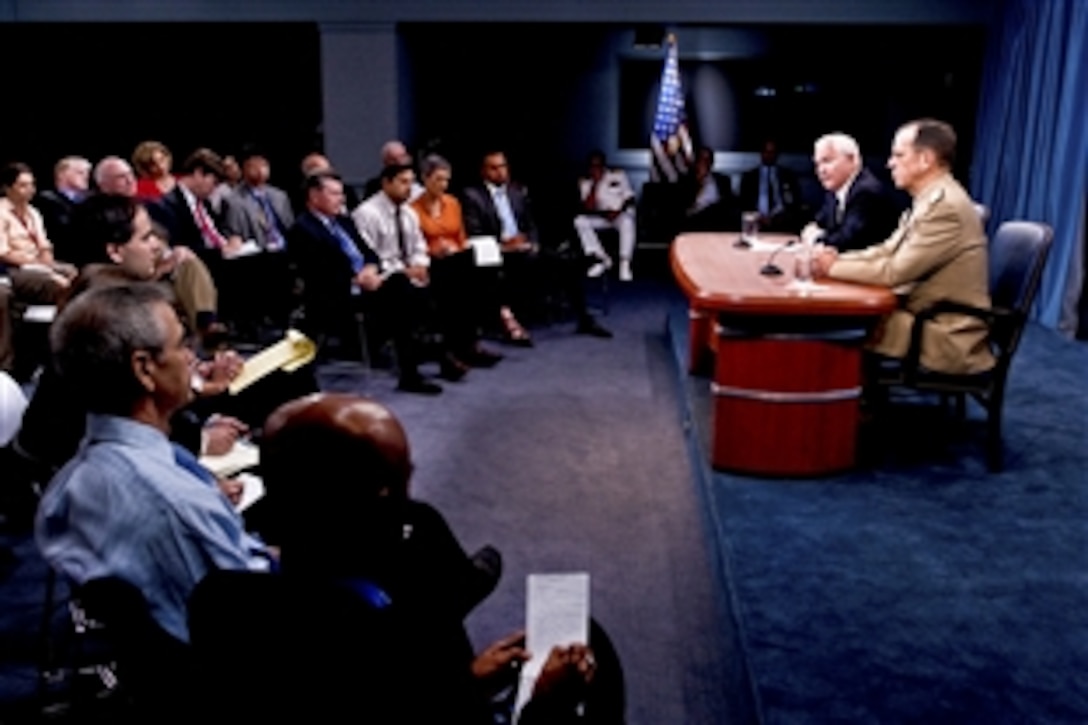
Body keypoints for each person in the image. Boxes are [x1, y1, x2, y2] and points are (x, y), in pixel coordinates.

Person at [221, 392, 619, 724]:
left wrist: (469, 681)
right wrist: (546, 706)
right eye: (396, 482)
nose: (407, 497)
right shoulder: (371, 642)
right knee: (590, 652)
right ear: (373, 498)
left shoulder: (229, 599)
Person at [36, 283, 272, 643]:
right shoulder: (174, 506)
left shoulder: (68, 484)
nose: (192, 358)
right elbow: (255, 613)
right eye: (181, 345)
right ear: (144, 369)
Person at [811, 119, 994, 375]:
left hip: (944, 332)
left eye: (898, 155)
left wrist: (832, 268)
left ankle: (843, 405)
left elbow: (894, 272)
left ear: (925, 159)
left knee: (839, 320)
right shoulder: (928, 200)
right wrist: (833, 261)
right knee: (840, 315)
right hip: (923, 315)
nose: (889, 163)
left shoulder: (945, 207)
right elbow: (886, 250)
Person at [288, 170, 443, 394]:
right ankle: (412, 367)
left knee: (411, 287)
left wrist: (370, 269)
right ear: (314, 196)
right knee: (402, 291)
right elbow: (317, 272)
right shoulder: (303, 229)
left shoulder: (343, 221)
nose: (341, 199)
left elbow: (370, 253)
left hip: (366, 286)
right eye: (334, 194)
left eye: (341, 194)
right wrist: (356, 278)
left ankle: (414, 363)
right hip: (333, 296)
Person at [461, 150, 611, 339]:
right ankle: (508, 322)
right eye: (494, 168)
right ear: (483, 171)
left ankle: (585, 318)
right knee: (508, 270)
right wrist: (504, 244)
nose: (500, 172)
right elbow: (475, 233)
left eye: (503, 166)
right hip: (498, 253)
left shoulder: (516, 192)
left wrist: (530, 242)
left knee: (565, 263)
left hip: (524, 249)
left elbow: (531, 224)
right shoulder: (472, 196)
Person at [409, 154, 507, 364]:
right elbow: (413, 244)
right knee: (458, 282)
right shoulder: (413, 210)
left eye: (446, 180)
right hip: (431, 262)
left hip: (457, 259)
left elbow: (461, 237)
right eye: (438, 180)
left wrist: (456, 247)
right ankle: (459, 346)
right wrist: (433, 250)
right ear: (425, 179)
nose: (443, 185)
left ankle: (468, 343)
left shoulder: (453, 203)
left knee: (476, 274)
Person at [801, 133, 898, 252]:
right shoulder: (835, 189)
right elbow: (818, 223)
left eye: (827, 161)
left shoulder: (866, 191)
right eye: (817, 164)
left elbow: (848, 240)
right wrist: (813, 231)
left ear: (851, 159)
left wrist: (816, 238)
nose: (821, 170)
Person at [574, 150, 637, 281]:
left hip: (620, 214)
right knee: (579, 221)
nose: (595, 168)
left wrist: (617, 212)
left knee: (627, 221)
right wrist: (595, 184)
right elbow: (588, 207)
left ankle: (624, 263)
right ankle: (602, 259)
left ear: (603, 165)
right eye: (592, 166)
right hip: (602, 216)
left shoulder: (618, 175)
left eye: (598, 165)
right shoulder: (585, 182)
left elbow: (630, 198)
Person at [739, 139, 803, 233]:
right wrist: (758, 216)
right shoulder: (749, 177)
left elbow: (795, 201)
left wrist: (778, 217)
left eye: (772, 152)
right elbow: (743, 203)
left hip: (782, 221)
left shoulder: (787, 176)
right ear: (761, 153)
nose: (769, 155)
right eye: (767, 152)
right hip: (756, 221)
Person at [683, 145, 739, 232]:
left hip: (716, 221)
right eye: (703, 159)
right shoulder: (687, 181)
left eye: (708, 160)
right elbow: (687, 208)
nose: (706, 163)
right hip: (695, 221)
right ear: (697, 162)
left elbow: (729, 203)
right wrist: (700, 180)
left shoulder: (723, 180)